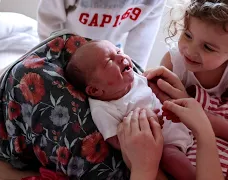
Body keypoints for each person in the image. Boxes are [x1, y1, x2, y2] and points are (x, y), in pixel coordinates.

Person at [143, 0, 228, 178]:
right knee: (167, 156)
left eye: (208, 47)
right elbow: (166, 106)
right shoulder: (174, 63)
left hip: (220, 126)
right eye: (187, 35)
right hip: (182, 124)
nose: (190, 50)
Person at [65, 39, 193, 179]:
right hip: (166, 145)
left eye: (119, 51)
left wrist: (169, 102)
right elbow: (119, 142)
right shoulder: (103, 109)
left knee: (200, 116)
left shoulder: (135, 79)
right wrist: (148, 126)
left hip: (180, 123)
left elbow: (156, 92)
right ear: (95, 90)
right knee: (171, 158)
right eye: (109, 61)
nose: (121, 57)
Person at [37, 0, 166, 69]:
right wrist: (54, 63)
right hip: (68, 53)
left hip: (111, 57)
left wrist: (135, 78)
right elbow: (48, 22)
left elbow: (140, 45)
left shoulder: (153, 2)